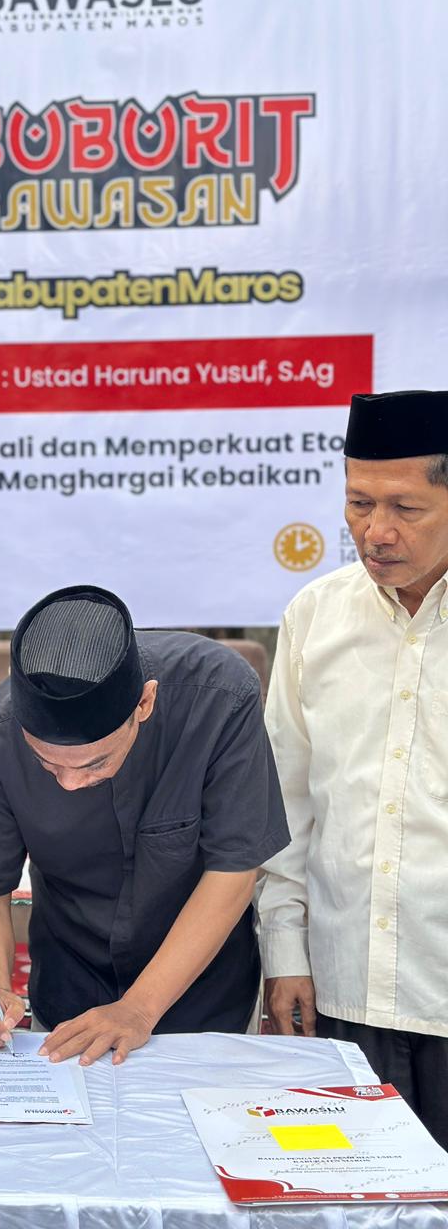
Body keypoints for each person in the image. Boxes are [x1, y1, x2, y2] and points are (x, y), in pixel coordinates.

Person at [0, 584, 289, 1066]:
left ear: (144, 703)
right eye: (48, 765)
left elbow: (233, 870)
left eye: (94, 763)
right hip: (69, 996)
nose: (70, 783)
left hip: (204, 1002)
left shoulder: (218, 696)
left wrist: (139, 1008)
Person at [258, 389, 448, 1146]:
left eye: (405, 508)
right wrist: (284, 952)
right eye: (359, 503)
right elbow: (285, 802)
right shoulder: (316, 615)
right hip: (341, 993)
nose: (376, 531)